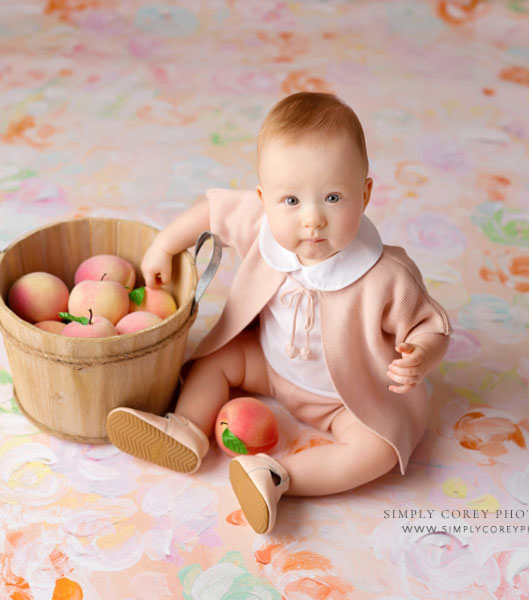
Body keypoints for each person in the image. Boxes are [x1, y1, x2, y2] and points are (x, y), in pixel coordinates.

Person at [106, 92, 452, 534]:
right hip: (269, 366)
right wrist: (165, 244)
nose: (312, 220)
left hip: (344, 399)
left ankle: (276, 475)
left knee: (377, 450)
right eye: (291, 201)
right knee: (215, 361)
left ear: (365, 194)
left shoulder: (386, 274)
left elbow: (433, 325)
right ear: (264, 197)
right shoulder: (263, 224)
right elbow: (213, 211)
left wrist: (422, 354)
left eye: (332, 197)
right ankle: (187, 429)